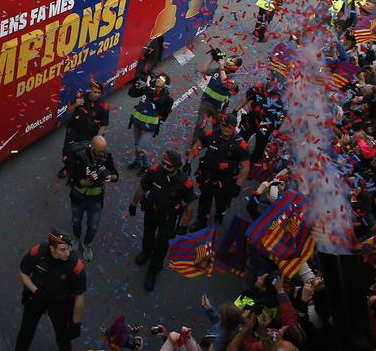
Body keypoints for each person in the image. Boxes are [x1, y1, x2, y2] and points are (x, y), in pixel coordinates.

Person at [127, 149, 196, 291]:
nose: (164, 167)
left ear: (176, 167)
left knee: (161, 245)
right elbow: (142, 188)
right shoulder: (154, 172)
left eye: (169, 166)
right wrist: (133, 204)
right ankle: (146, 252)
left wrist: (185, 224)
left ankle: (153, 270)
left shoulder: (184, 182)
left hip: (169, 218)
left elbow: (190, 204)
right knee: (148, 234)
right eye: (163, 163)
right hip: (152, 211)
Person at [15, 230, 86, 351]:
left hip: (61, 304)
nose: (67, 253)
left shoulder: (75, 266)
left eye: (68, 248)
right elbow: (23, 273)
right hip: (37, 298)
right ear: (52, 248)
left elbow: (79, 296)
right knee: (25, 332)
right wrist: (36, 291)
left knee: (63, 337)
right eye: (62, 249)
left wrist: (76, 323)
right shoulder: (38, 252)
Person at [188, 115, 249, 230]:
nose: (226, 129)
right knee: (204, 199)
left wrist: (238, 186)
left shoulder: (240, 145)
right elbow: (197, 146)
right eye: (224, 125)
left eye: (229, 127)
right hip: (208, 174)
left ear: (234, 128)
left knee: (221, 201)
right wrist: (188, 162)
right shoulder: (211, 134)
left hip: (226, 179)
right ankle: (201, 221)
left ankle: (220, 213)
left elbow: (245, 168)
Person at [64, 135, 118, 261]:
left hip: (96, 198)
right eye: (99, 151)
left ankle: (86, 243)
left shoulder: (106, 157)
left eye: (104, 151)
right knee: (76, 220)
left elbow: (116, 175)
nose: (102, 154)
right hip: (78, 195)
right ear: (92, 147)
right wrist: (86, 182)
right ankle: (76, 238)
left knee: (93, 226)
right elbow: (74, 178)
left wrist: (110, 177)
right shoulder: (80, 157)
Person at [129, 75, 172, 171]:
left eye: (162, 80)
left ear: (165, 85)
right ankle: (137, 162)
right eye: (159, 78)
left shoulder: (165, 96)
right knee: (136, 144)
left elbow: (158, 101)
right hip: (138, 121)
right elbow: (132, 94)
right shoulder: (149, 88)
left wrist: (148, 87)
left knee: (140, 148)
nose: (158, 80)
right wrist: (135, 86)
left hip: (150, 126)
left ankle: (146, 165)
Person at [194, 54, 241, 141]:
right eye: (229, 59)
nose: (228, 61)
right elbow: (202, 70)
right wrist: (212, 58)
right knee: (200, 124)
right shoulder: (218, 70)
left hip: (219, 108)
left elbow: (225, 83)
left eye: (231, 61)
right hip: (206, 102)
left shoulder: (236, 79)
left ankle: (215, 143)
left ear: (236, 66)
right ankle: (195, 144)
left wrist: (222, 67)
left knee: (217, 127)